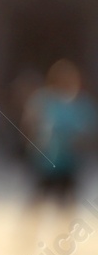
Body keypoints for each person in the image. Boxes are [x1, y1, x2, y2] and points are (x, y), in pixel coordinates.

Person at [22, 59, 98, 236]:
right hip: (46, 161)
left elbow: (89, 134)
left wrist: (77, 141)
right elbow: (30, 123)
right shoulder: (44, 101)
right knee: (38, 200)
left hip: (69, 163)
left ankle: (64, 236)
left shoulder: (81, 105)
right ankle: (29, 235)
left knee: (66, 203)